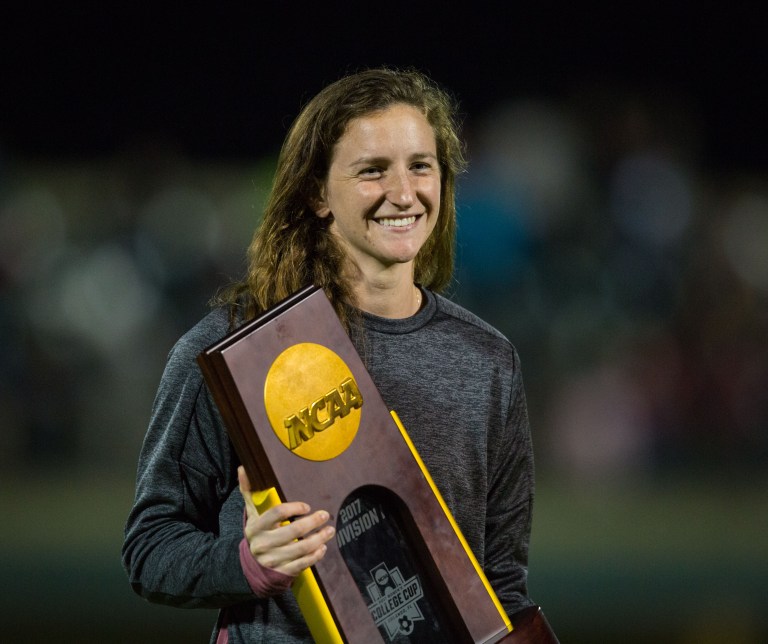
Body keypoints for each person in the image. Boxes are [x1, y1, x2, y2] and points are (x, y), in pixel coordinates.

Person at [123, 67, 546, 643]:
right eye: (373, 170)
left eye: (421, 166)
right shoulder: (239, 353)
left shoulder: (487, 360)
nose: (404, 193)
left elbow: (499, 583)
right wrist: (251, 563)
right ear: (317, 194)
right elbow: (150, 547)